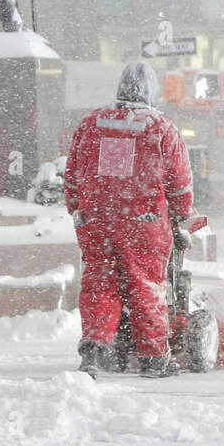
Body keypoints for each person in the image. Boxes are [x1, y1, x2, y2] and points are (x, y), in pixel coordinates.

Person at [65, 63, 193, 378]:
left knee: (99, 284)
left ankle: (94, 350)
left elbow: (71, 175)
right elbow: (179, 182)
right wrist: (181, 216)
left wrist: (77, 209)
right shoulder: (160, 126)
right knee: (146, 286)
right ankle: (153, 358)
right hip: (143, 222)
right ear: (151, 90)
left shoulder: (91, 122)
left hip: (96, 220)